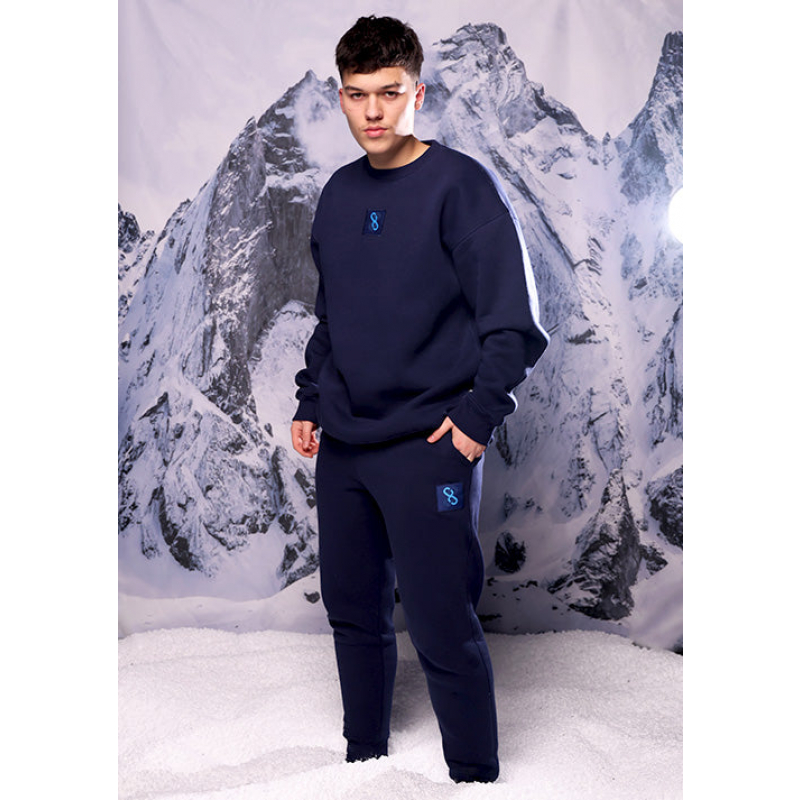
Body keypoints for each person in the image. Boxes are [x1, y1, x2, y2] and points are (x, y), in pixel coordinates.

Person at [290, 15, 549, 784]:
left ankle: (473, 775)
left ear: (418, 94)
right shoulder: (338, 195)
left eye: (389, 92)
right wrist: (310, 400)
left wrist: (473, 424)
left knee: (440, 621)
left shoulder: (461, 188)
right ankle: (361, 762)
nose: (373, 111)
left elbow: (514, 326)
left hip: (429, 445)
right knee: (351, 611)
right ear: (341, 96)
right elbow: (332, 318)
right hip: (345, 445)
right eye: (357, 94)